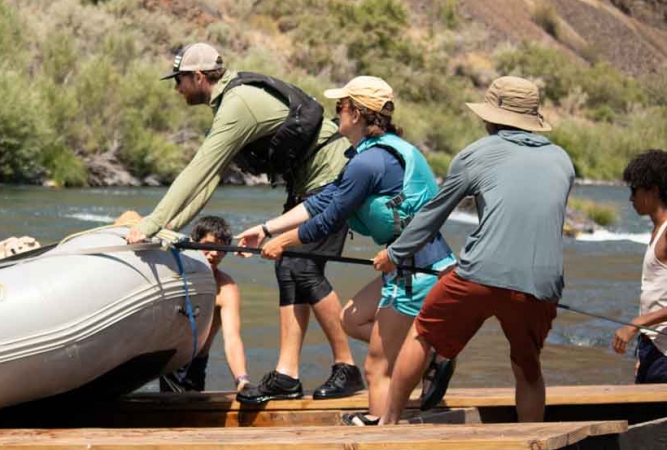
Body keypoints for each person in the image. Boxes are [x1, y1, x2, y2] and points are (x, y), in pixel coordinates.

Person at [123, 43, 363, 403]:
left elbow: (198, 170)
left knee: (303, 267)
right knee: (288, 268)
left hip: (333, 181)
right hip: (307, 186)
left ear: (199, 77)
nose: (177, 89)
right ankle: (287, 375)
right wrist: (170, 227)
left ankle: (347, 367)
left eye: (180, 80)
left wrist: (153, 222)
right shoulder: (229, 106)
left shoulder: (237, 106)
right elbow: (210, 180)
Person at [238, 76, 455, 425]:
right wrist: (264, 229)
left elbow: (328, 220)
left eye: (340, 107)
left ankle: (378, 427)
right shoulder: (371, 154)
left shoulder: (369, 163)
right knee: (351, 318)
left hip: (416, 272)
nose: (335, 112)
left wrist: (283, 243)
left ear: (356, 113)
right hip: (412, 266)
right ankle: (427, 359)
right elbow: (323, 200)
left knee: (375, 366)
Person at [376, 76, 575, 424]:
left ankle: (387, 423)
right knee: (528, 367)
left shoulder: (477, 153)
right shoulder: (562, 160)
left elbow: (433, 213)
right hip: (541, 284)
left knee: (423, 334)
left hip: (478, 275)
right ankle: (531, 439)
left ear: (492, 117)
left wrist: (394, 255)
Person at [156, 215, 253, 393]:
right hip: (168, 362)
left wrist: (242, 379)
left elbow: (232, 338)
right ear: (194, 242)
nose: (215, 253)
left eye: (221, 249)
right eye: (209, 245)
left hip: (196, 364)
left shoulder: (226, 288)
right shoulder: (175, 271)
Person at [611, 149, 667, 384]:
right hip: (653, 348)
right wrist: (644, 348)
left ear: (653, 191)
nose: (631, 198)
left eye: (634, 190)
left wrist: (636, 323)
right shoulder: (657, 231)